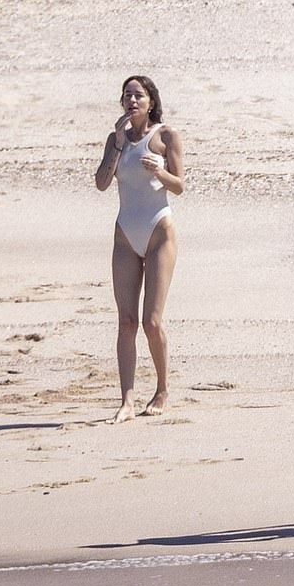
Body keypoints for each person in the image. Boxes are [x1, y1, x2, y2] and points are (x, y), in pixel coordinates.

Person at [95, 75, 185, 422]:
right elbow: (102, 184)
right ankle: (127, 400)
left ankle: (162, 389)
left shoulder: (165, 135)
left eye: (138, 95)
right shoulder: (115, 139)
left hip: (159, 230)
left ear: (150, 101)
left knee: (151, 321)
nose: (132, 100)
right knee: (126, 321)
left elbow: (180, 186)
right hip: (125, 235)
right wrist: (117, 144)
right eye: (127, 95)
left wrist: (160, 172)